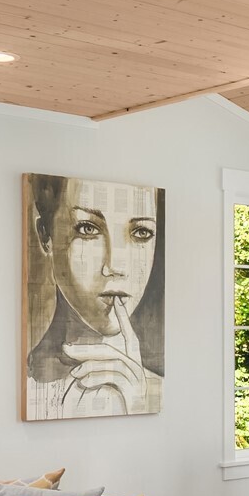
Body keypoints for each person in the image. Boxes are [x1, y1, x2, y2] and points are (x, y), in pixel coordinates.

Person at [25, 173, 165, 418]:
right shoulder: (26, 390)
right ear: (45, 235)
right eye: (87, 229)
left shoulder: (158, 395)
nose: (115, 265)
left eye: (141, 232)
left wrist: (137, 403)